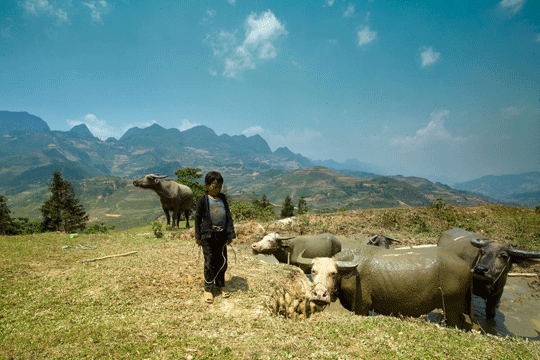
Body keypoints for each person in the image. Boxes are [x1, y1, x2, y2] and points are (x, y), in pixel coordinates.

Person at [194, 171, 236, 304]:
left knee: (222, 261)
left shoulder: (223, 199)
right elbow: (197, 219)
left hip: (221, 236)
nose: (217, 189)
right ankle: (208, 288)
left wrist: (230, 234)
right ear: (206, 185)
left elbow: (228, 217)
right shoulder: (203, 201)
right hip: (208, 236)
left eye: (219, 186)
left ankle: (220, 285)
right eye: (214, 186)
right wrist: (198, 236)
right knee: (209, 261)